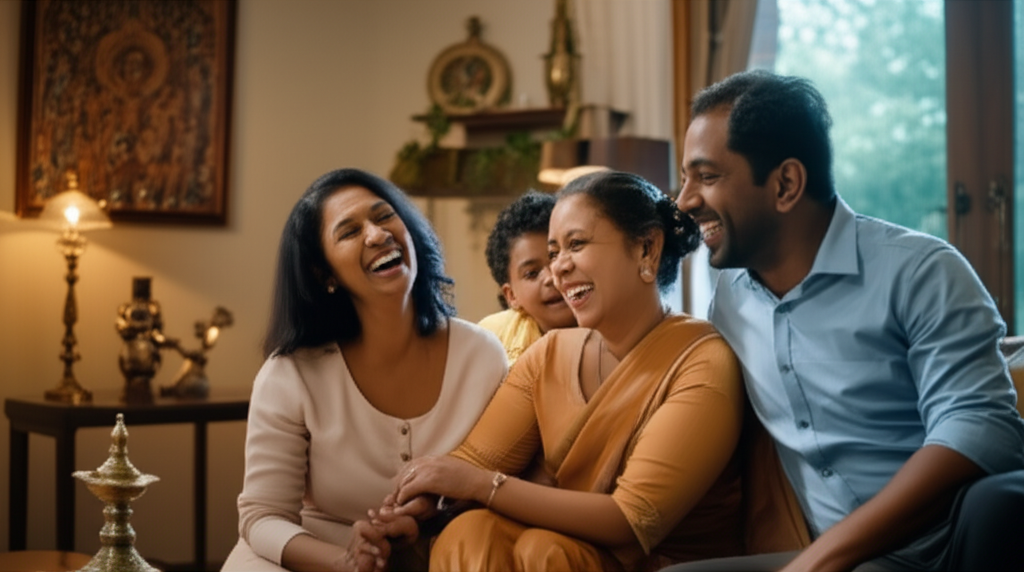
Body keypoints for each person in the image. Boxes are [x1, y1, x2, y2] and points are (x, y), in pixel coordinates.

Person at [672, 69, 1024, 571]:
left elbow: (979, 428)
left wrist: (820, 562)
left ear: (786, 184)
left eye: (706, 177)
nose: (685, 200)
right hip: (829, 556)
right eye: (686, 178)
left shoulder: (921, 271)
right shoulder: (730, 297)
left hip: (946, 552)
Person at [385, 170, 750, 571]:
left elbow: (630, 519)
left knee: (544, 551)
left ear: (647, 247)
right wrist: (410, 511)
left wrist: (480, 485)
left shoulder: (703, 362)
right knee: (468, 531)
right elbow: (471, 462)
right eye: (554, 251)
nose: (558, 268)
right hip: (561, 548)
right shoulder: (550, 353)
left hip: (663, 564)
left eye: (575, 244)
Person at [221, 168, 508, 572]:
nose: (377, 235)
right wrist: (344, 562)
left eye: (384, 216)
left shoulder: (481, 355)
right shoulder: (291, 373)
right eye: (349, 232)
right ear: (326, 276)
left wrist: (431, 512)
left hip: (445, 553)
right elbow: (262, 517)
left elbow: (502, 477)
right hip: (311, 556)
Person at [479, 190, 577, 364]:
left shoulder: (613, 327)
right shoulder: (491, 339)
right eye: (532, 273)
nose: (551, 277)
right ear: (512, 296)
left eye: (555, 256)